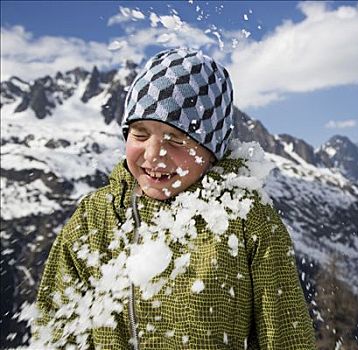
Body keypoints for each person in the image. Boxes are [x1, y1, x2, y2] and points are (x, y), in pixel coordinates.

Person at [31, 48, 317, 349]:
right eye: (140, 135)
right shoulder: (94, 217)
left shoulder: (247, 220)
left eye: (177, 140)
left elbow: (286, 334)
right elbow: (56, 328)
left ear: (211, 150)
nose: (154, 155)